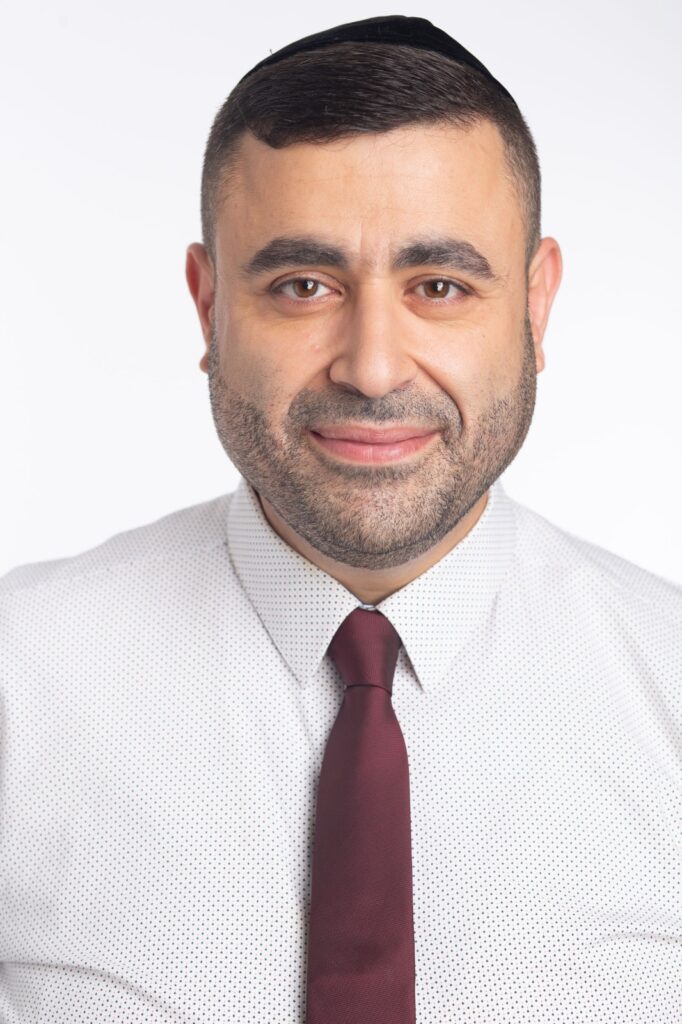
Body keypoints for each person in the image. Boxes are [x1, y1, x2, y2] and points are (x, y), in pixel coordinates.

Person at [1, 14, 680, 1023]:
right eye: (303, 286)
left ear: (535, 306)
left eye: (439, 286)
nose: (371, 366)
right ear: (208, 305)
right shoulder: (18, 681)